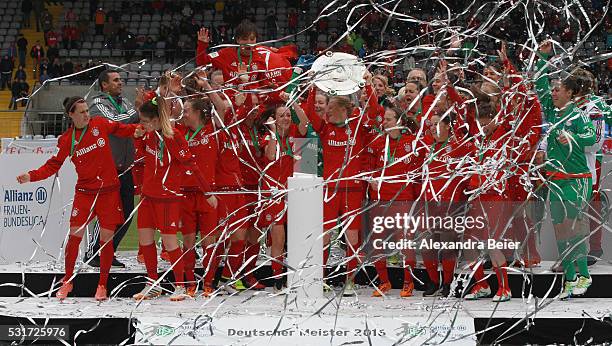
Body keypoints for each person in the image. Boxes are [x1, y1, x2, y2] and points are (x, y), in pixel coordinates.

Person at [16, 96, 143, 301]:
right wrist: (31, 176)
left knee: (106, 240)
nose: (87, 115)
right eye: (82, 112)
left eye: (87, 111)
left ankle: (102, 284)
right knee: (74, 238)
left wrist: (140, 129)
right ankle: (67, 280)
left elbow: (123, 129)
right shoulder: (66, 140)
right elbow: (52, 165)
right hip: (85, 194)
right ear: (71, 115)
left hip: (109, 192)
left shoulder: (99, 124)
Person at [132, 97, 216, 301]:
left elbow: (191, 165)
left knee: (170, 241)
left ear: (154, 120)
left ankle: (179, 285)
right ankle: (152, 283)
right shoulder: (150, 135)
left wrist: (208, 192)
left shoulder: (175, 136)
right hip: (148, 196)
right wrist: (137, 138)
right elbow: (142, 157)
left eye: (144, 121)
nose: (141, 125)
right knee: (145, 239)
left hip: (168, 197)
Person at [369, 107, 427, 298]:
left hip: (404, 199)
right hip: (381, 200)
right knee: (378, 243)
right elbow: (369, 167)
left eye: (388, 119)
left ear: (399, 121)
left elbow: (421, 169)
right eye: (383, 119)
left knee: (405, 243)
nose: (383, 122)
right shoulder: (378, 143)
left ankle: (408, 282)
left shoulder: (412, 143)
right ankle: (384, 281)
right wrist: (372, 180)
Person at [85, 69, 139, 268]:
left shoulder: (124, 103)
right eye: (115, 80)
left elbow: (135, 118)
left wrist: (136, 112)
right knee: (108, 213)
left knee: (127, 212)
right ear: (104, 85)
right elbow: (118, 122)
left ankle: (108, 252)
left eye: (121, 80)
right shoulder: (97, 104)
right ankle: (93, 253)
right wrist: (135, 112)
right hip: (106, 169)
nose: (120, 83)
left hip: (125, 167)